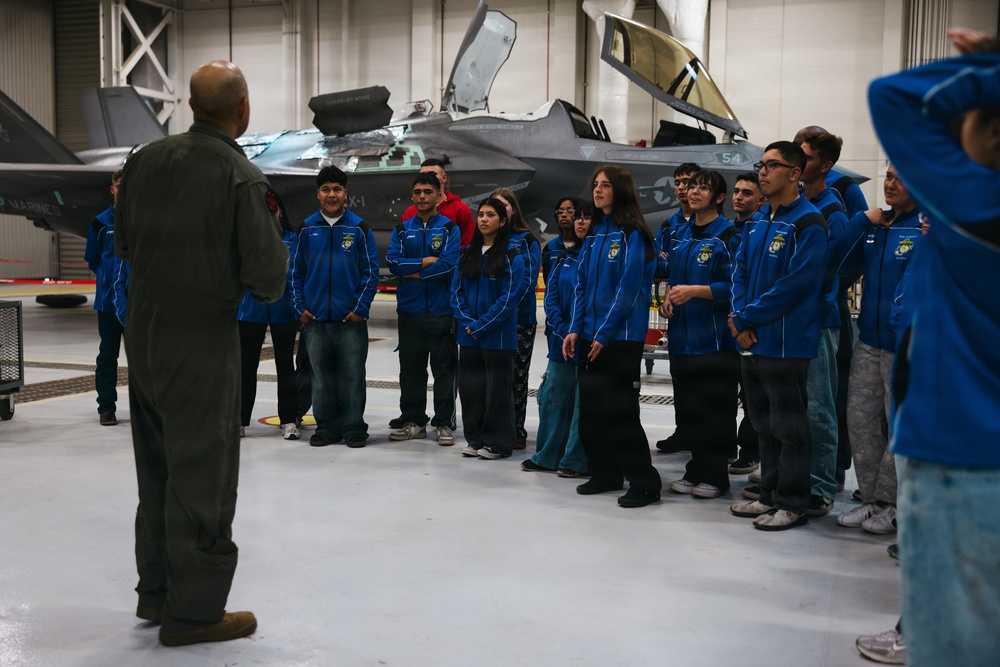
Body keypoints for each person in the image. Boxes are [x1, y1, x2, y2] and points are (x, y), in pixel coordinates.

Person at [115, 60, 289, 646]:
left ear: (191, 106)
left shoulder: (143, 162)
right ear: (241, 108)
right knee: (204, 474)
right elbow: (268, 279)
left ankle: (157, 594)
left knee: (157, 468)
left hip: (144, 332)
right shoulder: (240, 175)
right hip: (201, 338)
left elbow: (124, 244)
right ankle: (194, 613)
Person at [727, 141, 828, 531]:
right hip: (750, 339)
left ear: (795, 173)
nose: (763, 172)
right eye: (762, 165)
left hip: (785, 343)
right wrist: (738, 319)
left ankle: (792, 502)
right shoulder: (756, 221)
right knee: (762, 422)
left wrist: (746, 317)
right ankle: (769, 495)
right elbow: (739, 273)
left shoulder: (809, 223)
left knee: (789, 426)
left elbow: (795, 285)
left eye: (772, 165)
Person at [563, 165, 662, 508]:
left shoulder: (633, 234)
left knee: (621, 413)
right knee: (591, 413)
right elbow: (581, 285)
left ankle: (645, 483)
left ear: (620, 190)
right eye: (595, 185)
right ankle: (605, 473)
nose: (598, 190)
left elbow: (629, 290)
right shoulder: (594, 234)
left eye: (605, 185)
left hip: (620, 339)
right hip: (590, 336)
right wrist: (576, 328)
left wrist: (604, 334)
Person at [834, 164, 921, 534]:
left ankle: (895, 503)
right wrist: (859, 222)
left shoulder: (926, 228)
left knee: (899, 427)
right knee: (861, 420)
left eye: (900, 177)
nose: (890, 184)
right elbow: (836, 264)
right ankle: (870, 499)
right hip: (868, 341)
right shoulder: (875, 227)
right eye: (887, 176)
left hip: (907, 347)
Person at [661, 169, 741, 500]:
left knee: (715, 409)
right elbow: (670, 277)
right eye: (692, 186)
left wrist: (696, 291)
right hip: (683, 338)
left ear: (719, 198)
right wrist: (667, 297)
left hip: (715, 340)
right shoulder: (679, 233)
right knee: (690, 408)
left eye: (703, 188)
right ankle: (696, 469)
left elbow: (734, 285)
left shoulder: (728, 236)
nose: (694, 192)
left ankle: (715, 476)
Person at [291, 166, 379, 448]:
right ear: (318, 194)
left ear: (346, 194)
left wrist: (360, 309)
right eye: (326, 189)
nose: (332, 194)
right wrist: (299, 309)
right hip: (314, 320)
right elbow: (295, 273)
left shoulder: (359, 229)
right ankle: (326, 427)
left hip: (350, 321)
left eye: (337, 189)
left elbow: (370, 272)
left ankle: (354, 427)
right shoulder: (306, 229)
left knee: (353, 376)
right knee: (321, 378)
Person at [385, 173, 462, 445]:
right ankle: (414, 421)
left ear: (439, 195)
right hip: (410, 313)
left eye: (428, 191)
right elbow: (394, 264)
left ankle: (443, 423)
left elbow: (449, 266)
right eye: (417, 191)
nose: (421, 197)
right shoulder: (402, 230)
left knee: (444, 371)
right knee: (411, 371)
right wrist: (425, 261)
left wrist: (414, 272)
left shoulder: (451, 229)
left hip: (441, 312)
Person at [798, 130, 851, 518]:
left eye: (806, 157)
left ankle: (822, 484)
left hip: (819, 321)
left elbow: (837, 271)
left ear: (826, 166)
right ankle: (795, 477)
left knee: (819, 407)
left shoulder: (832, 212)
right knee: (793, 408)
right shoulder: (796, 207)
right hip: (792, 322)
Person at [522, 203, 593, 477]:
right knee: (552, 398)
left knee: (580, 403)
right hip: (562, 341)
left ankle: (575, 460)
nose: (580, 222)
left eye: (587, 218)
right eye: (578, 217)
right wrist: (562, 330)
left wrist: (579, 332)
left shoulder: (598, 258)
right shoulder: (565, 257)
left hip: (587, 342)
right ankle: (548, 455)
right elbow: (551, 297)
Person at [451, 197, 525, 459]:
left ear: (502, 221)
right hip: (469, 336)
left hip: (498, 338)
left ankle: (498, 443)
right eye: (480, 214)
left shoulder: (511, 255)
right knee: (471, 390)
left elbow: (509, 298)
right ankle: (475, 439)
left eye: (490, 215)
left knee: (497, 392)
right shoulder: (467, 254)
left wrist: (481, 325)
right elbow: (456, 293)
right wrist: (469, 323)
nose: (483, 219)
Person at [491, 186, 541, 451]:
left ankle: (516, 428)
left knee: (517, 377)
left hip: (519, 320)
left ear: (513, 208)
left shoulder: (526, 240)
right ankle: (496, 427)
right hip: (492, 321)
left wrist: (504, 310)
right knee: (495, 378)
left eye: (505, 204)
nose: (501, 209)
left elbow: (527, 282)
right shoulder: (489, 238)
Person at [84, 169, 128, 426]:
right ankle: (106, 408)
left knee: (144, 361)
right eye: (119, 185)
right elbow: (94, 260)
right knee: (108, 356)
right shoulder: (99, 224)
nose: (123, 190)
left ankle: (146, 409)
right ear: (112, 189)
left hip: (136, 304)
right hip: (108, 305)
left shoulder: (142, 222)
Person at [727, 172, 764, 475]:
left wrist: (743, 320)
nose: (739, 197)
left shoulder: (761, 230)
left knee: (753, 397)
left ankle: (751, 451)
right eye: (736, 192)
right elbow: (735, 278)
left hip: (750, 326)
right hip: (731, 324)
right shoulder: (731, 230)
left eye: (747, 193)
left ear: (760, 199)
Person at [398, 157, 475, 248]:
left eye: (433, 174)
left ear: (444, 178)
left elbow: (466, 247)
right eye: (423, 174)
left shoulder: (460, 210)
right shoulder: (409, 212)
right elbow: (401, 248)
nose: (427, 178)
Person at [541, 197, 582, 285]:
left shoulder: (586, 245)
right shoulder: (550, 248)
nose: (563, 215)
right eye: (560, 212)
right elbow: (548, 282)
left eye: (569, 211)